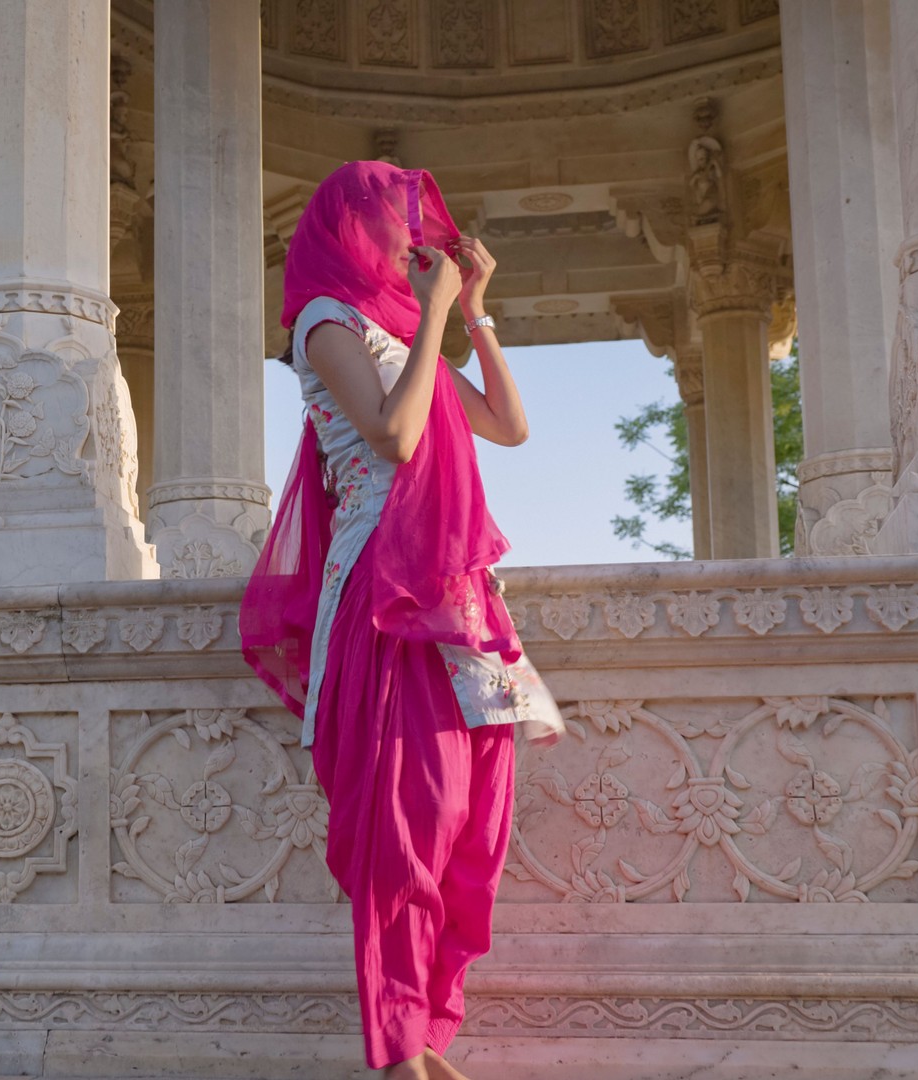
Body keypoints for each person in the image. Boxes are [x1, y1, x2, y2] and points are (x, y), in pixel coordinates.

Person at [240, 160, 566, 1079]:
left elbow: (508, 425)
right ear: (354, 227)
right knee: (406, 819)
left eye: (416, 226)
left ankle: (425, 1031)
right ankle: (397, 1051)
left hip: (459, 591)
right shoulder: (325, 324)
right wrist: (428, 320)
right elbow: (394, 435)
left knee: (476, 818)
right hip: (386, 591)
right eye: (397, 222)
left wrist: (472, 314)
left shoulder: (396, 327)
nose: (411, 241)